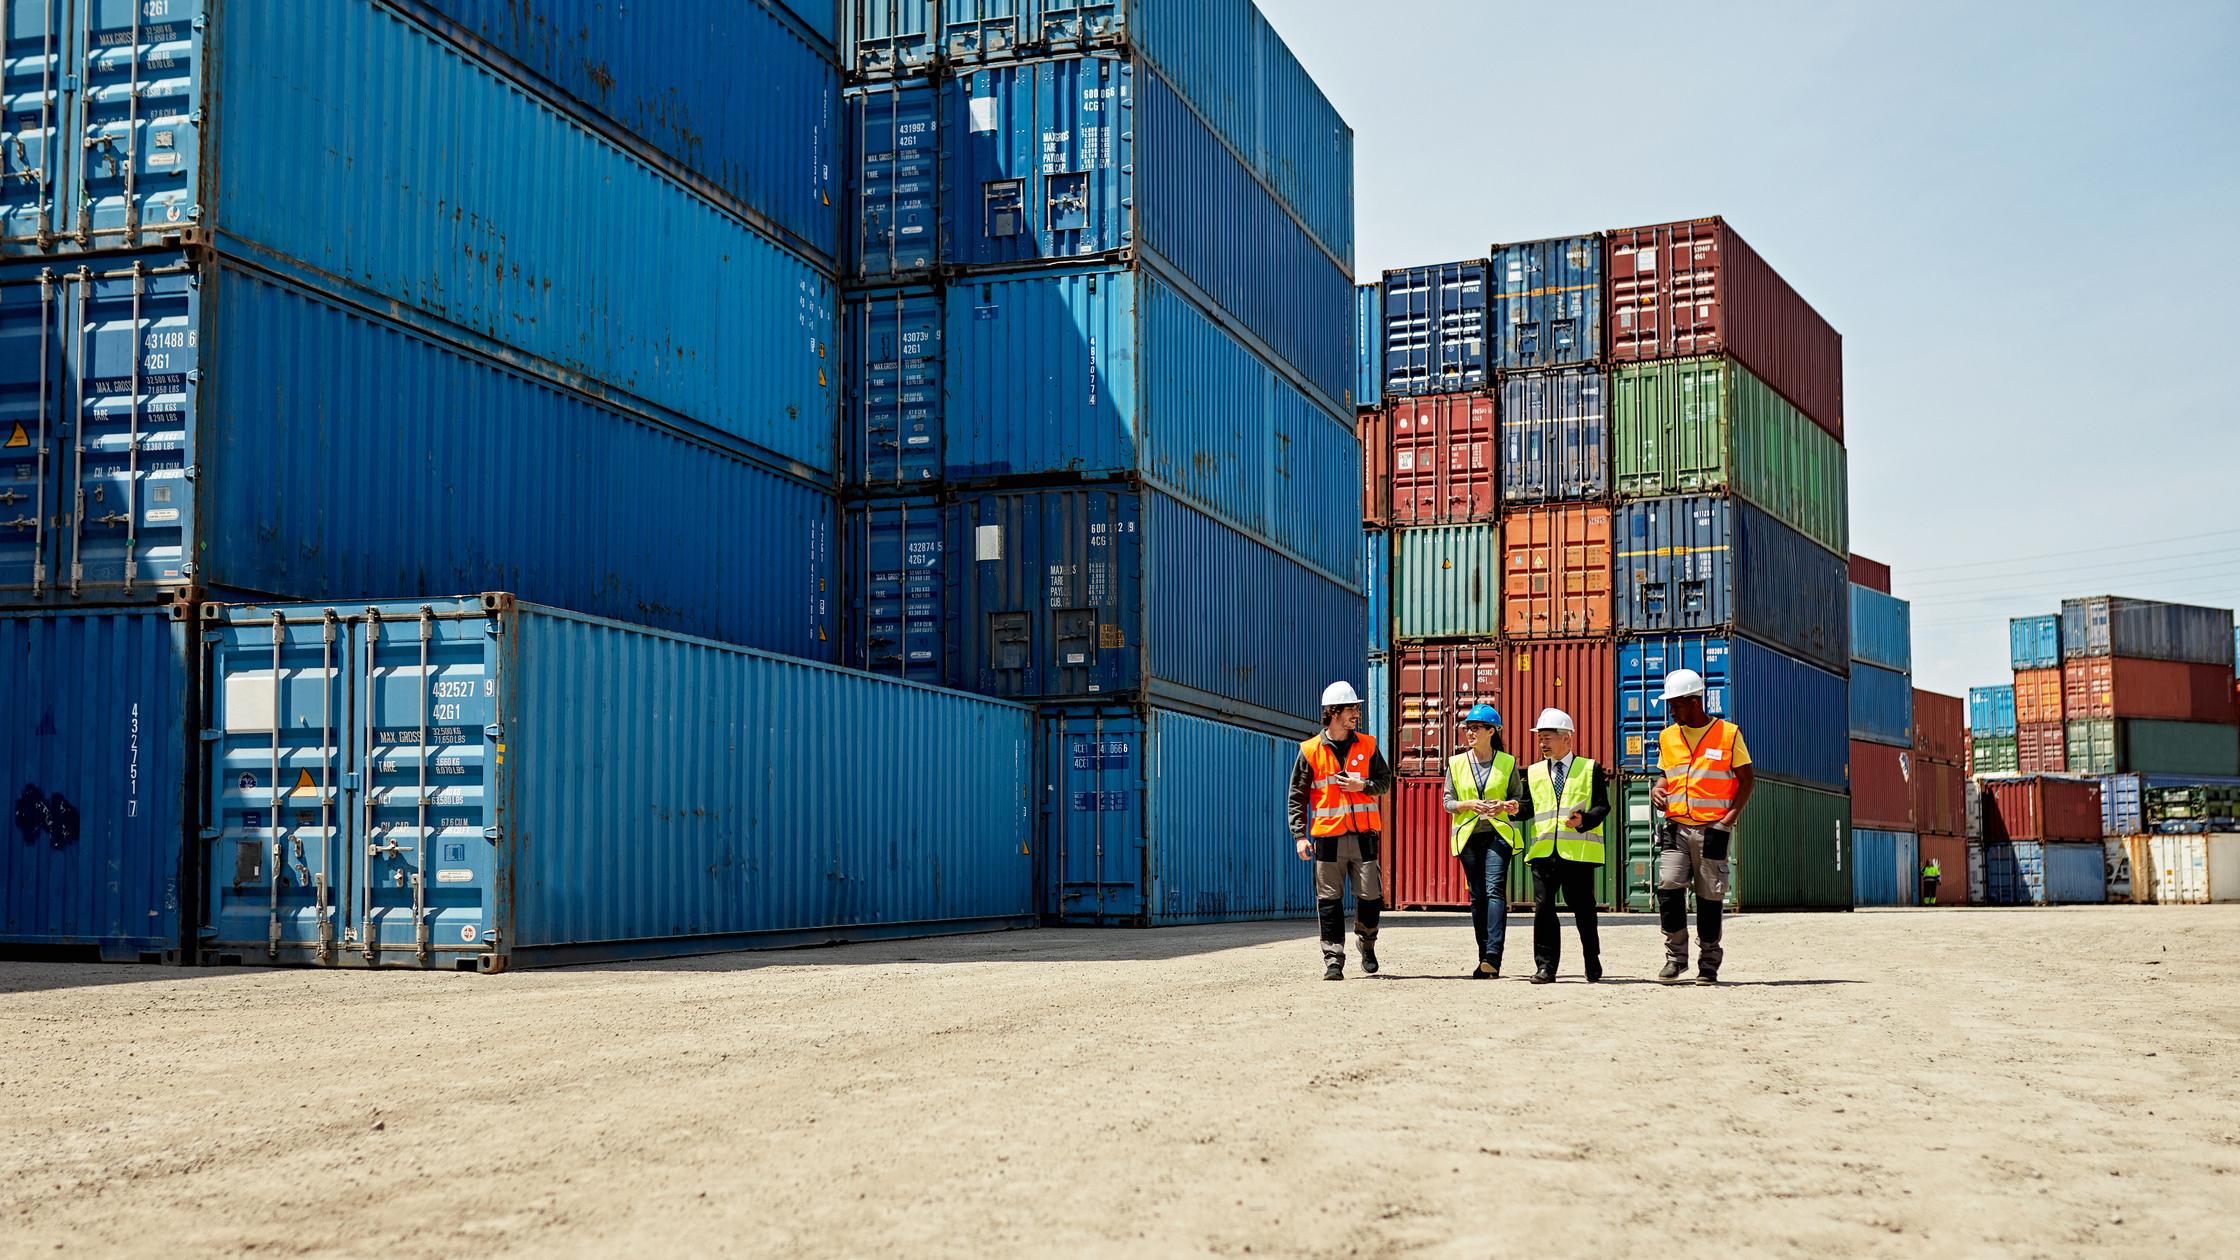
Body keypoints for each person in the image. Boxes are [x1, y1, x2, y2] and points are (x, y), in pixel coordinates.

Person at [1648, 669, 1756, 985]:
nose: (1671, 710)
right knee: (1668, 888)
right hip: (1675, 827)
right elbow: (1665, 775)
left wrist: (1727, 822)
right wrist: (1658, 787)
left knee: (1710, 898)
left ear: (1695, 702)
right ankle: (1675, 959)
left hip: (1713, 830)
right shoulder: (1667, 737)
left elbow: (1747, 781)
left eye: (1676, 704)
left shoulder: (1728, 734)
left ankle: (1708, 962)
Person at [1288, 680, 1393, 980]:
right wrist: (1299, 835)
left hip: (1363, 836)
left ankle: (1367, 942)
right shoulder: (1310, 751)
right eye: (1351, 709)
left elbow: (1386, 781)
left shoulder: (1368, 745)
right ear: (1333, 713)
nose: (1356, 714)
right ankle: (1334, 959)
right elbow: (1297, 796)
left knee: (1371, 896)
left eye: (1357, 709)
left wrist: (1365, 786)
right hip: (1328, 838)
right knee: (1329, 901)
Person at [1520, 708, 1609, 984]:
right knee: (1543, 909)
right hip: (1544, 852)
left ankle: (1591, 961)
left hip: (1578, 852)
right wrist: (1512, 808)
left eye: (1547, 737)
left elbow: (1602, 806)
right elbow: (1527, 808)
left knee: (1584, 909)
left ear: (1567, 738)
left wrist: (1584, 820)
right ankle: (1545, 967)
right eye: (1540, 738)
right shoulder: (1533, 772)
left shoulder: (1589, 768)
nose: (1542, 743)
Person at [1442, 704, 1525, 978]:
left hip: (1498, 835)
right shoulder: (1456, 763)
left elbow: (1519, 801)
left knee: (1494, 891)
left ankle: (1493, 955)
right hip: (1468, 836)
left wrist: (1505, 805)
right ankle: (1483, 956)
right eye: (1467, 728)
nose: (1469, 732)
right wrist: (1467, 804)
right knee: (1478, 897)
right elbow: (1447, 803)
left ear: (1492, 731)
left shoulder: (1508, 762)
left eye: (1476, 728)